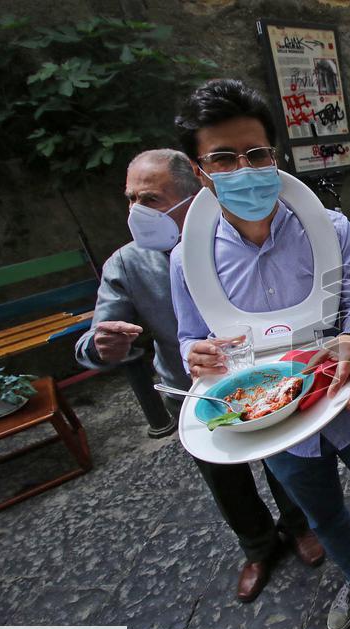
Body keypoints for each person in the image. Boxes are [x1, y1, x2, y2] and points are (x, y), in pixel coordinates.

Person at [170, 79, 350, 629]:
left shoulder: (329, 228)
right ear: (200, 172)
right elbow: (190, 337)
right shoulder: (188, 260)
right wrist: (194, 356)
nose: (244, 169)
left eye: (256, 153)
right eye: (223, 157)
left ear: (276, 156)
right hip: (272, 422)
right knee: (320, 511)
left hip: (348, 398)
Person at [75, 149, 325, 603]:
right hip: (189, 390)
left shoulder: (238, 239)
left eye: (150, 199)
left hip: (261, 379)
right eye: (130, 199)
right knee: (223, 478)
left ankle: (300, 526)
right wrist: (100, 344)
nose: (136, 212)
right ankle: (257, 547)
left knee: (283, 459)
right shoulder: (129, 263)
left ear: (194, 194)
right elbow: (96, 334)